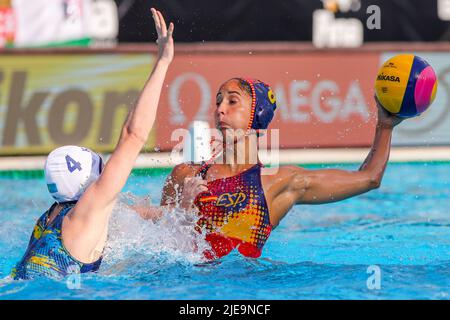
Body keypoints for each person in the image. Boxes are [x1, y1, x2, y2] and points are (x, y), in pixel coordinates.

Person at [161, 77, 404, 260]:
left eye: (232, 101)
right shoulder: (186, 175)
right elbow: (158, 245)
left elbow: (369, 178)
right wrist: (183, 211)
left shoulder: (278, 182)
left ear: (257, 114)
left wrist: (385, 126)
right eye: (218, 101)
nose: (220, 109)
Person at [11, 8, 174, 279]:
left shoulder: (48, 218)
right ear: (89, 182)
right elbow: (133, 136)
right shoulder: (85, 214)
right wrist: (163, 62)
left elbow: (126, 214)